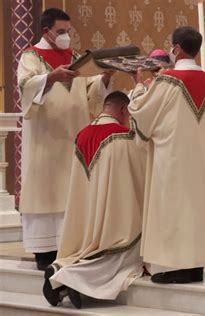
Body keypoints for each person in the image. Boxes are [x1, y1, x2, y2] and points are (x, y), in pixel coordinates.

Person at [17, 8, 113, 271]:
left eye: (68, 32)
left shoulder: (75, 58)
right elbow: (26, 87)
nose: (65, 37)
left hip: (74, 136)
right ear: (46, 31)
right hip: (45, 139)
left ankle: (71, 245)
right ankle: (44, 251)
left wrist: (104, 78)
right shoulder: (30, 56)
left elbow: (90, 92)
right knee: (47, 191)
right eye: (60, 32)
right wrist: (50, 77)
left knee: (72, 190)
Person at [42, 91, 145, 309]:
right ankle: (73, 276)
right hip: (114, 213)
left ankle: (59, 267)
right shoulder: (123, 135)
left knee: (86, 248)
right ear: (123, 110)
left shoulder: (82, 134)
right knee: (125, 255)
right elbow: (137, 177)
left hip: (88, 215)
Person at [128, 26, 205, 284]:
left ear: (176, 49)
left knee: (173, 209)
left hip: (172, 157)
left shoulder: (169, 79)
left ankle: (175, 267)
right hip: (198, 157)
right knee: (193, 210)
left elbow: (142, 113)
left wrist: (137, 88)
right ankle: (195, 265)